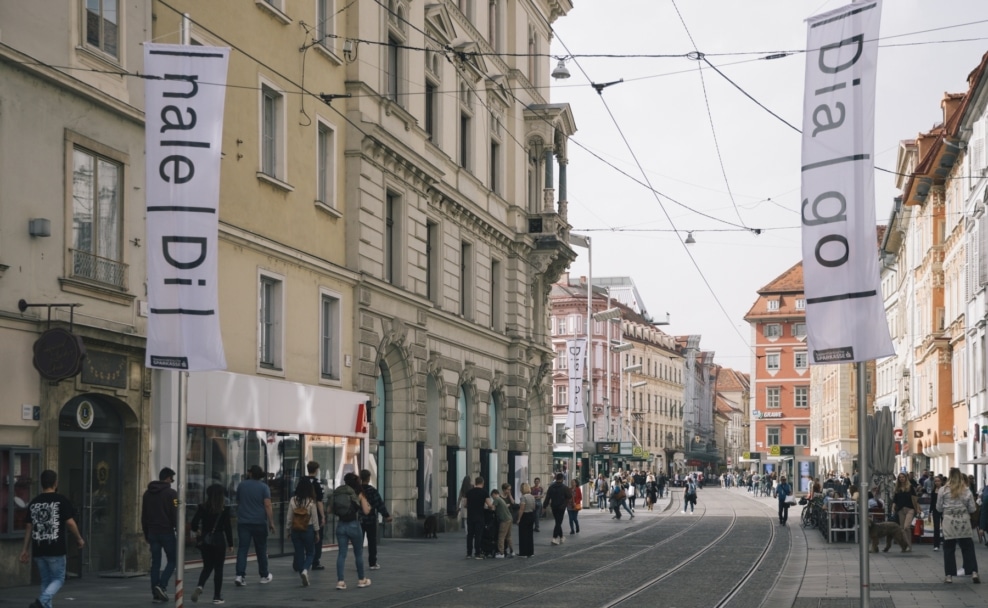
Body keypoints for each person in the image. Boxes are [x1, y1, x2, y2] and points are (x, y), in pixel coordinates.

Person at [19, 470, 85, 608]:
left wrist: (25, 549)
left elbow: (28, 527)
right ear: (55, 483)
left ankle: (43, 605)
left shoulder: (34, 502)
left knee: (46, 580)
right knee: (58, 579)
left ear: (41, 484)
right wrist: (79, 538)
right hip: (56, 548)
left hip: (39, 548)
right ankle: (41, 602)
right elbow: (70, 522)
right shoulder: (61, 500)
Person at [190, 484, 233, 604]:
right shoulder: (224, 509)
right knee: (218, 569)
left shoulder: (202, 507)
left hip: (206, 540)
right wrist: (231, 544)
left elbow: (194, 523)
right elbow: (228, 528)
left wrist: (198, 531)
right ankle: (217, 596)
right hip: (219, 540)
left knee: (207, 567)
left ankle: (200, 586)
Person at [235, 465, 276, 586]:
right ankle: (264, 575)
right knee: (261, 549)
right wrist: (271, 522)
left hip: (243, 522)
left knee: (243, 549)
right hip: (259, 522)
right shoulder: (264, 487)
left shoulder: (242, 485)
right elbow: (267, 505)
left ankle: (240, 575)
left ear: (251, 473)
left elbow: (238, 501)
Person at [142, 467, 178, 602]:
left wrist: (146, 532)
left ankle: (155, 592)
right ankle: (162, 586)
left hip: (152, 532)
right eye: (172, 478)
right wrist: (178, 528)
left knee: (155, 563)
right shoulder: (172, 493)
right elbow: (177, 511)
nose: (172, 481)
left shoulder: (147, 494)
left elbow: (143, 515)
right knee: (173, 560)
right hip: (167, 532)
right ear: (168, 478)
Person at [938, 467, 979, 584]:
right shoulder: (966, 490)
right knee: (968, 546)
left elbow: (939, 507)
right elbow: (972, 508)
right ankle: (973, 572)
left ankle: (949, 575)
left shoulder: (943, 490)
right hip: (963, 520)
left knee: (949, 548)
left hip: (949, 520)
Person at [334, 472, 372, 590]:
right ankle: (361, 579)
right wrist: (369, 507)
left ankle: (340, 582)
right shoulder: (359, 493)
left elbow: (330, 509)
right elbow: (366, 511)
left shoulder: (339, 492)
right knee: (358, 554)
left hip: (341, 525)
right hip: (354, 525)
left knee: (341, 554)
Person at [286, 477, 319, 587]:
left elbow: (289, 517)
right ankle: (305, 570)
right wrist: (317, 532)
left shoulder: (293, 500)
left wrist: (288, 530)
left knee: (299, 553)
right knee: (310, 552)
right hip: (308, 529)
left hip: (295, 530)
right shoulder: (311, 501)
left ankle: (302, 573)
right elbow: (314, 518)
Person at [359, 469, 392, 571]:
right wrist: (386, 516)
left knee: (358, 543)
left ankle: (358, 563)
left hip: (359, 520)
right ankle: (372, 563)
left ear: (360, 478)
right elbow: (379, 504)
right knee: (372, 541)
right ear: (368, 479)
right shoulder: (372, 491)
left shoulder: (357, 491)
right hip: (371, 520)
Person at [304, 461, 326, 570]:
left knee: (303, 536)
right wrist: (322, 516)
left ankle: (301, 559)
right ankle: (315, 561)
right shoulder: (318, 484)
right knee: (318, 537)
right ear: (316, 470)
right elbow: (319, 501)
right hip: (315, 513)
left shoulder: (302, 482)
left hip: (302, 513)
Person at [465, 476, 493, 559]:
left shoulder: (469, 492)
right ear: (482, 483)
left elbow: (465, 504)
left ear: (475, 483)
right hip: (480, 516)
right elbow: (490, 505)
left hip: (470, 516)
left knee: (470, 535)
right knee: (478, 535)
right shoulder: (484, 492)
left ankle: (469, 553)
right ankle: (477, 553)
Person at [543, 473, 573, 545]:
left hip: (553, 506)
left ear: (556, 478)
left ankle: (562, 537)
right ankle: (554, 538)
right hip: (561, 507)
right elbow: (569, 496)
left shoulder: (551, 487)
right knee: (558, 522)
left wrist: (544, 506)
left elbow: (547, 498)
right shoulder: (565, 488)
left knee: (557, 521)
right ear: (562, 479)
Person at [891, 472, 917, 552]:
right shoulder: (897, 488)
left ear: (906, 478)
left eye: (903, 477)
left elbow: (915, 498)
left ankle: (909, 545)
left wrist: (917, 508)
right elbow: (895, 499)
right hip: (900, 509)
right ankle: (905, 545)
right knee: (902, 528)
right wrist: (893, 506)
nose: (901, 478)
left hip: (910, 509)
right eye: (900, 477)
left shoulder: (910, 487)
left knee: (907, 527)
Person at [490, 489, 513, 558]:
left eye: (492, 496)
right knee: (508, 536)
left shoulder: (497, 499)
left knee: (501, 536)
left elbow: (493, 508)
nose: (492, 498)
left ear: (494, 494)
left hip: (504, 520)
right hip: (510, 518)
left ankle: (501, 552)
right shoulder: (501, 499)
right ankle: (512, 551)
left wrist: (488, 506)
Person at [516, 482, 537, 558]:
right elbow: (534, 507)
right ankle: (530, 552)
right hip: (531, 515)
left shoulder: (523, 497)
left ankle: (523, 552)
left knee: (523, 535)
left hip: (525, 516)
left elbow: (522, 509)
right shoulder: (532, 497)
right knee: (529, 535)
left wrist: (518, 519)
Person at [931, 474, 943, 552]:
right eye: (935, 481)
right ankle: (936, 544)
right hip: (935, 510)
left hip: (943, 510)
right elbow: (932, 502)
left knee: (945, 527)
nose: (937, 483)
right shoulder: (933, 491)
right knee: (936, 527)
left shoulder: (944, 490)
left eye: (938, 481)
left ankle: (945, 542)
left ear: (941, 482)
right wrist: (929, 512)